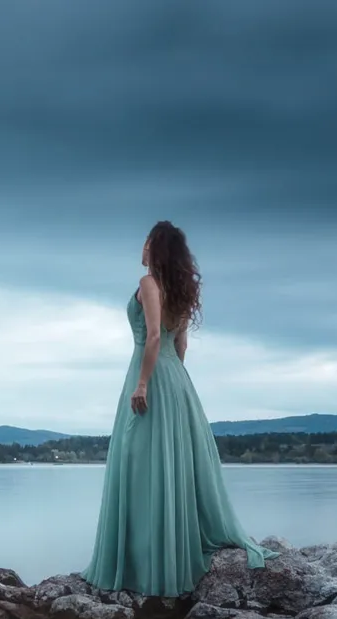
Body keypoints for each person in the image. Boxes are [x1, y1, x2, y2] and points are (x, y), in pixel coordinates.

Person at [81, 220, 277, 597]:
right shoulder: (182, 290)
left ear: (155, 247)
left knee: (138, 465)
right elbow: (180, 344)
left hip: (149, 375)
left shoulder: (148, 285)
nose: (141, 247)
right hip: (176, 380)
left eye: (147, 241)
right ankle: (162, 557)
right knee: (166, 466)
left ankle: (138, 566)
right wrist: (174, 387)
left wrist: (143, 383)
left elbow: (154, 335)